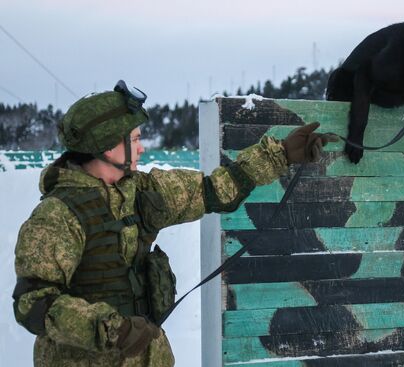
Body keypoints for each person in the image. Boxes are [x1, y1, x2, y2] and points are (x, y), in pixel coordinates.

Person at [11, 80, 335, 366]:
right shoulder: (57, 216)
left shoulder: (142, 191)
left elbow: (214, 190)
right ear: (107, 145)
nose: (141, 147)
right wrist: (107, 329)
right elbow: (33, 303)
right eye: (135, 139)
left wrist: (281, 155)